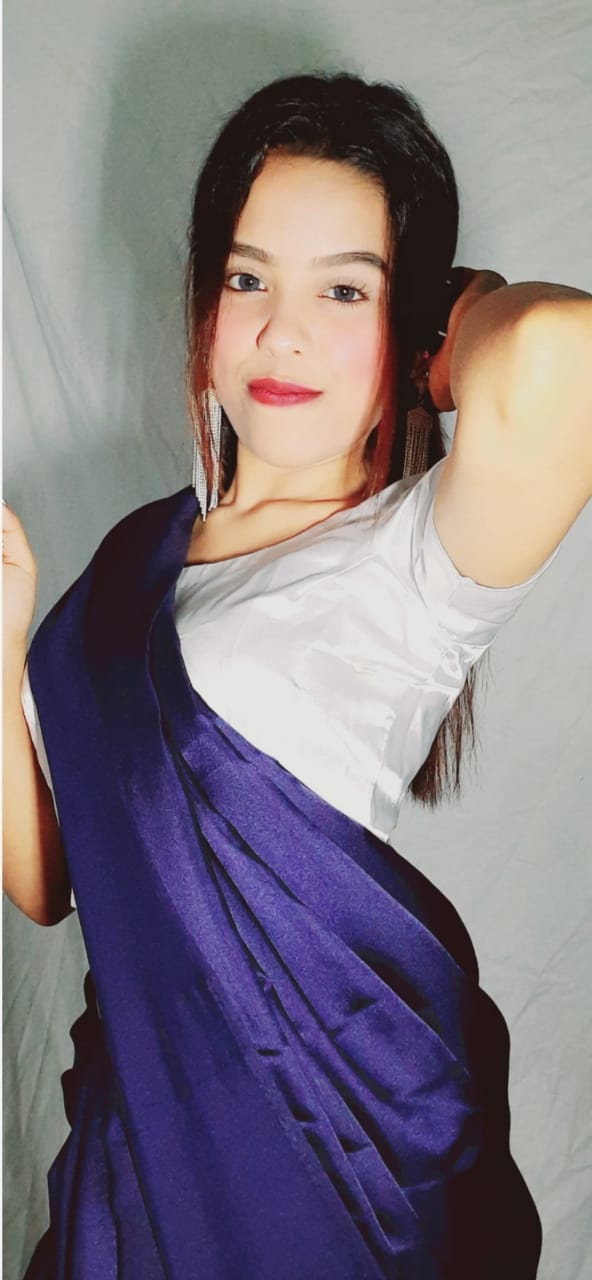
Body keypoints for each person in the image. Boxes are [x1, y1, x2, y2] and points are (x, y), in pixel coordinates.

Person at [3, 71, 591, 1280]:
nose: (282, 331)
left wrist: (440, 311)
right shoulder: (133, 558)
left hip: (321, 1162)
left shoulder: (412, 563)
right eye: (247, 278)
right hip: (133, 1154)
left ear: (413, 323)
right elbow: (50, 881)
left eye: (344, 289)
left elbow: (559, 354)